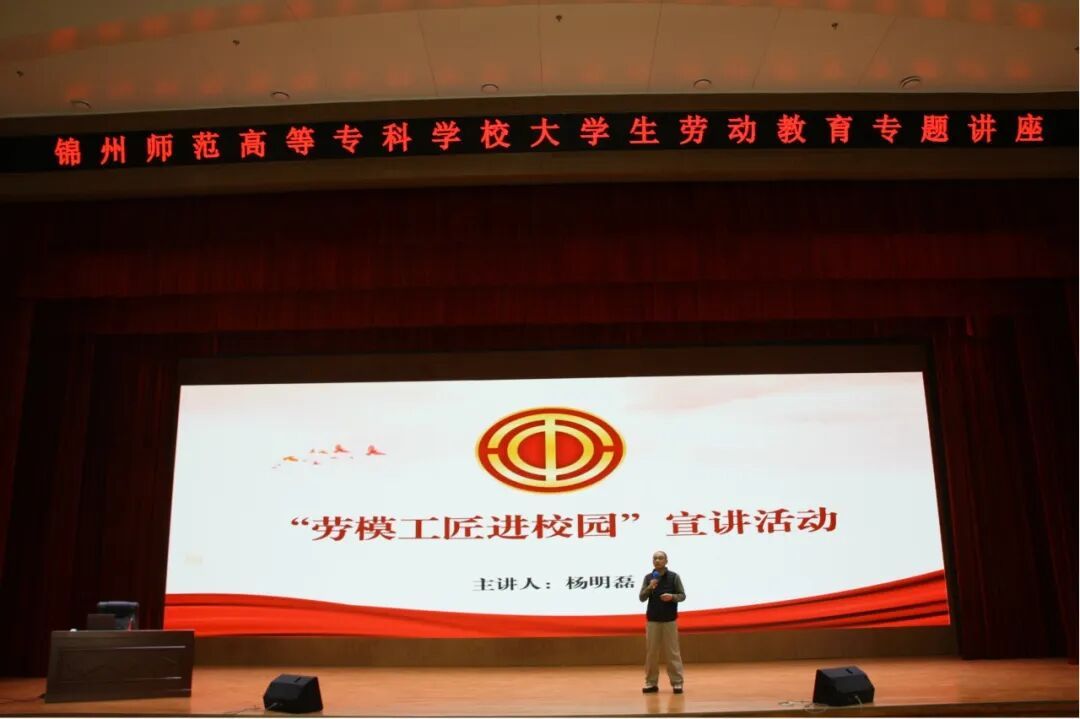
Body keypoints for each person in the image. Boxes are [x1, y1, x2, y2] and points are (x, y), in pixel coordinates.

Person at [638, 550, 686, 694]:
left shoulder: (674, 577)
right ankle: (651, 683)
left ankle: (677, 683)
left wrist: (672, 597)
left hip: (669, 620)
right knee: (652, 653)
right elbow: (641, 597)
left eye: (660, 558)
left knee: (672, 653)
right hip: (653, 621)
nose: (657, 560)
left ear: (666, 561)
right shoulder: (648, 578)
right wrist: (650, 586)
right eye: (655, 558)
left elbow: (682, 595)